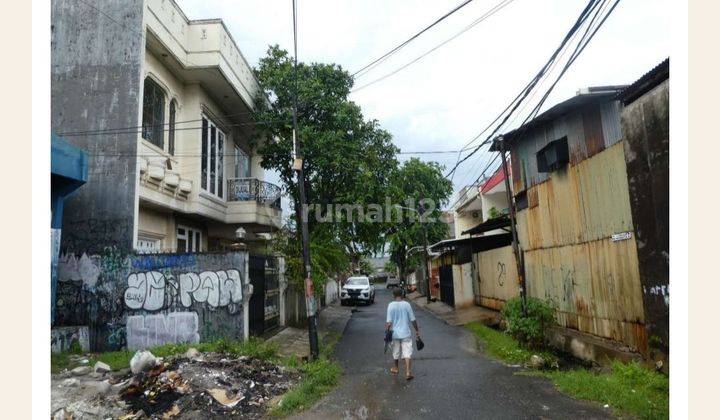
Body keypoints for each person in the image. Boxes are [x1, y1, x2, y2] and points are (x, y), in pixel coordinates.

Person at [385, 287, 420, 380]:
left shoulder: (390, 305)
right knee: (407, 352)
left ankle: (396, 368)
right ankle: (408, 372)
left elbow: (389, 322)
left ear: (393, 295)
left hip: (395, 334)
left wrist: (387, 333)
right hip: (406, 333)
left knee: (396, 351)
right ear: (402, 294)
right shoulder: (407, 305)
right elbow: (413, 319)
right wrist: (417, 330)